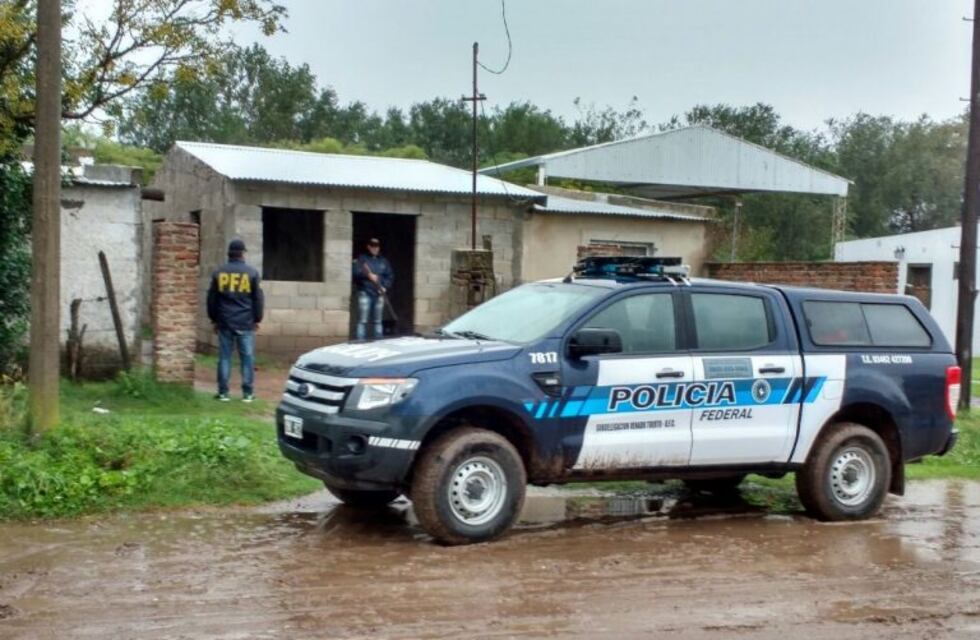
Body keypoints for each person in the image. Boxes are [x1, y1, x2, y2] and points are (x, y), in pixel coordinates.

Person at [207, 239, 264, 402]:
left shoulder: (219, 273)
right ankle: (247, 393)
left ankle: (223, 393)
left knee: (225, 357)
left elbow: (212, 299)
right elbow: (257, 299)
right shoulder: (252, 273)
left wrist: (214, 319)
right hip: (245, 322)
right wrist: (257, 318)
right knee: (247, 358)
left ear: (229, 254)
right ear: (242, 253)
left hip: (225, 321)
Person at [352, 238, 394, 340]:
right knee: (362, 320)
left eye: (377, 246)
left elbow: (390, 276)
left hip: (379, 294)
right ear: (368, 247)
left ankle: (378, 342)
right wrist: (368, 275)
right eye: (372, 246)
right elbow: (355, 273)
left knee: (378, 321)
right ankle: (360, 342)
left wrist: (384, 287)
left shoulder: (384, 261)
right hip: (365, 292)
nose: (375, 248)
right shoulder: (362, 259)